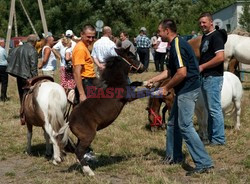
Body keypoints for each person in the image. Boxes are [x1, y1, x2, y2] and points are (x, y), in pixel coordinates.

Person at [145, 19, 213, 176]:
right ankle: (173, 156)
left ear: (167, 31)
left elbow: (182, 73)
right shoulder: (173, 45)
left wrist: (166, 88)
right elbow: (170, 71)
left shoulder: (177, 45)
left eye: (159, 31)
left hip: (187, 89)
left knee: (185, 126)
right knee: (172, 124)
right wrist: (153, 80)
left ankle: (204, 162)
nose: (157, 34)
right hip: (183, 89)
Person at [199, 12, 226, 145]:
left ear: (211, 22)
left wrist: (202, 66)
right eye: (200, 23)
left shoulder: (216, 36)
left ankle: (219, 139)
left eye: (204, 22)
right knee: (210, 109)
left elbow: (221, 57)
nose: (202, 25)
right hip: (205, 77)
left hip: (214, 77)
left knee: (214, 109)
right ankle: (211, 137)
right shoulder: (205, 37)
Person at [6, 34, 38, 124]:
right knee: (29, 96)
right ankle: (28, 114)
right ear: (35, 42)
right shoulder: (33, 51)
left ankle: (23, 113)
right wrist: (35, 79)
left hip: (19, 75)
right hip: (28, 77)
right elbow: (33, 67)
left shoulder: (17, 48)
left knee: (22, 95)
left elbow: (9, 58)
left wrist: (17, 66)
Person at [72, 24, 96, 104]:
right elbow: (76, 72)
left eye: (93, 37)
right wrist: (82, 94)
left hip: (89, 82)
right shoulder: (81, 49)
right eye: (88, 37)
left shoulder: (84, 47)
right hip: (85, 83)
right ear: (81, 34)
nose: (91, 39)